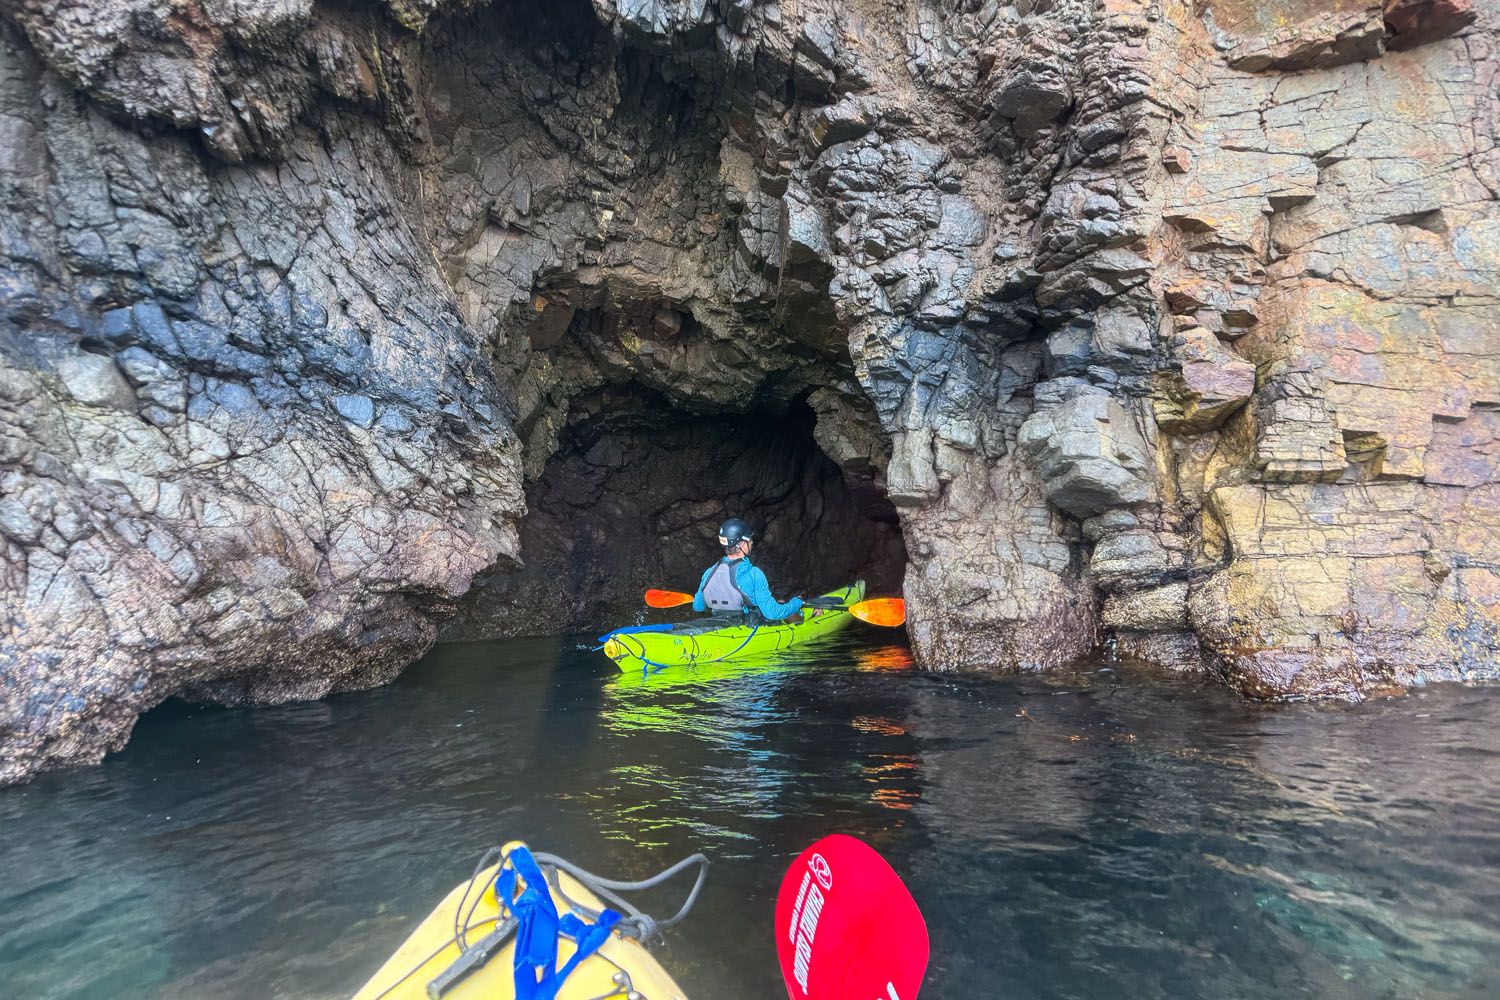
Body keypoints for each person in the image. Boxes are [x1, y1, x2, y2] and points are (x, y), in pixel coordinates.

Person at [691, 517, 806, 623]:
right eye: (749, 540)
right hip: (749, 628)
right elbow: (772, 613)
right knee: (781, 603)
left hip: (720, 625)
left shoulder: (709, 572)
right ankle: (802, 622)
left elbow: (698, 607)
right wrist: (797, 602)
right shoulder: (754, 574)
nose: (751, 542)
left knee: (778, 602)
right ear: (741, 545)